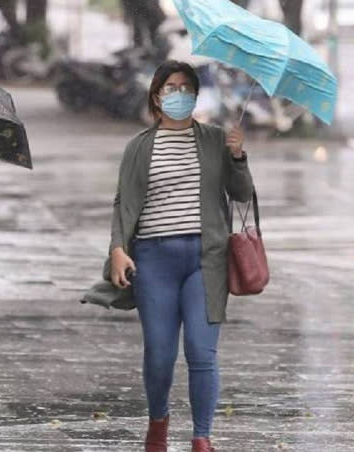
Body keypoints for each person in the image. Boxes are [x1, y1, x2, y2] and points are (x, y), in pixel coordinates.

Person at [101, 60, 254, 452]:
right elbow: (124, 202)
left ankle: (202, 436)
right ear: (156, 96)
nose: (179, 94)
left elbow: (240, 194)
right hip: (153, 261)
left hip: (206, 261)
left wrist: (238, 157)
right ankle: (158, 422)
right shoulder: (138, 146)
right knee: (159, 354)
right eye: (171, 88)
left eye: (186, 88)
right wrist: (119, 248)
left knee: (202, 351)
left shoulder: (215, 139)